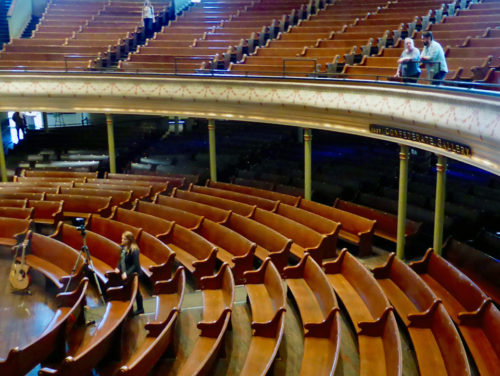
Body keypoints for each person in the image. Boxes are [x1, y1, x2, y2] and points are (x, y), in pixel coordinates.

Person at [116, 231, 144, 315]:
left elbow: (136, 265)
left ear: (129, 240)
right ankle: (129, 308)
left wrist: (126, 273)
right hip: (128, 272)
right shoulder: (123, 247)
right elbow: (121, 259)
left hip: (135, 273)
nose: (122, 240)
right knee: (130, 290)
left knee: (136, 292)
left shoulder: (134, 250)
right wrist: (118, 267)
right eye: (122, 238)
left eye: (124, 239)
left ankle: (140, 309)